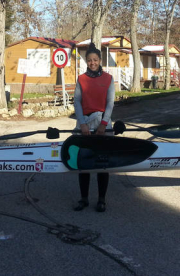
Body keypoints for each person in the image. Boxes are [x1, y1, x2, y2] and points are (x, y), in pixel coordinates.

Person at [72, 42, 115, 212]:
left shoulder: (108, 79)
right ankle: (83, 199)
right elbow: (77, 101)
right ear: (86, 61)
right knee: (84, 162)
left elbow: (110, 102)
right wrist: (82, 123)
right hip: (85, 123)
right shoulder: (81, 79)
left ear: (100, 60)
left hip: (103, 122)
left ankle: (101, 199)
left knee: (102, 162)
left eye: (95, 60)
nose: (92, 63)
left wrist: (104, 125)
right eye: (89, 60)